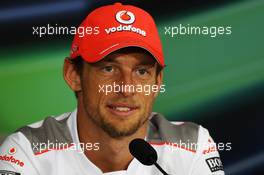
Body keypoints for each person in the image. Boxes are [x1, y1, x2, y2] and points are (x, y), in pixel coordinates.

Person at [0, 2, 224, 175]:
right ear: (73, 75)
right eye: (108, 69)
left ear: (157, 83)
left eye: (141, 72)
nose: (126, 88)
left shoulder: (192, 145)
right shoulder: (27, 151)